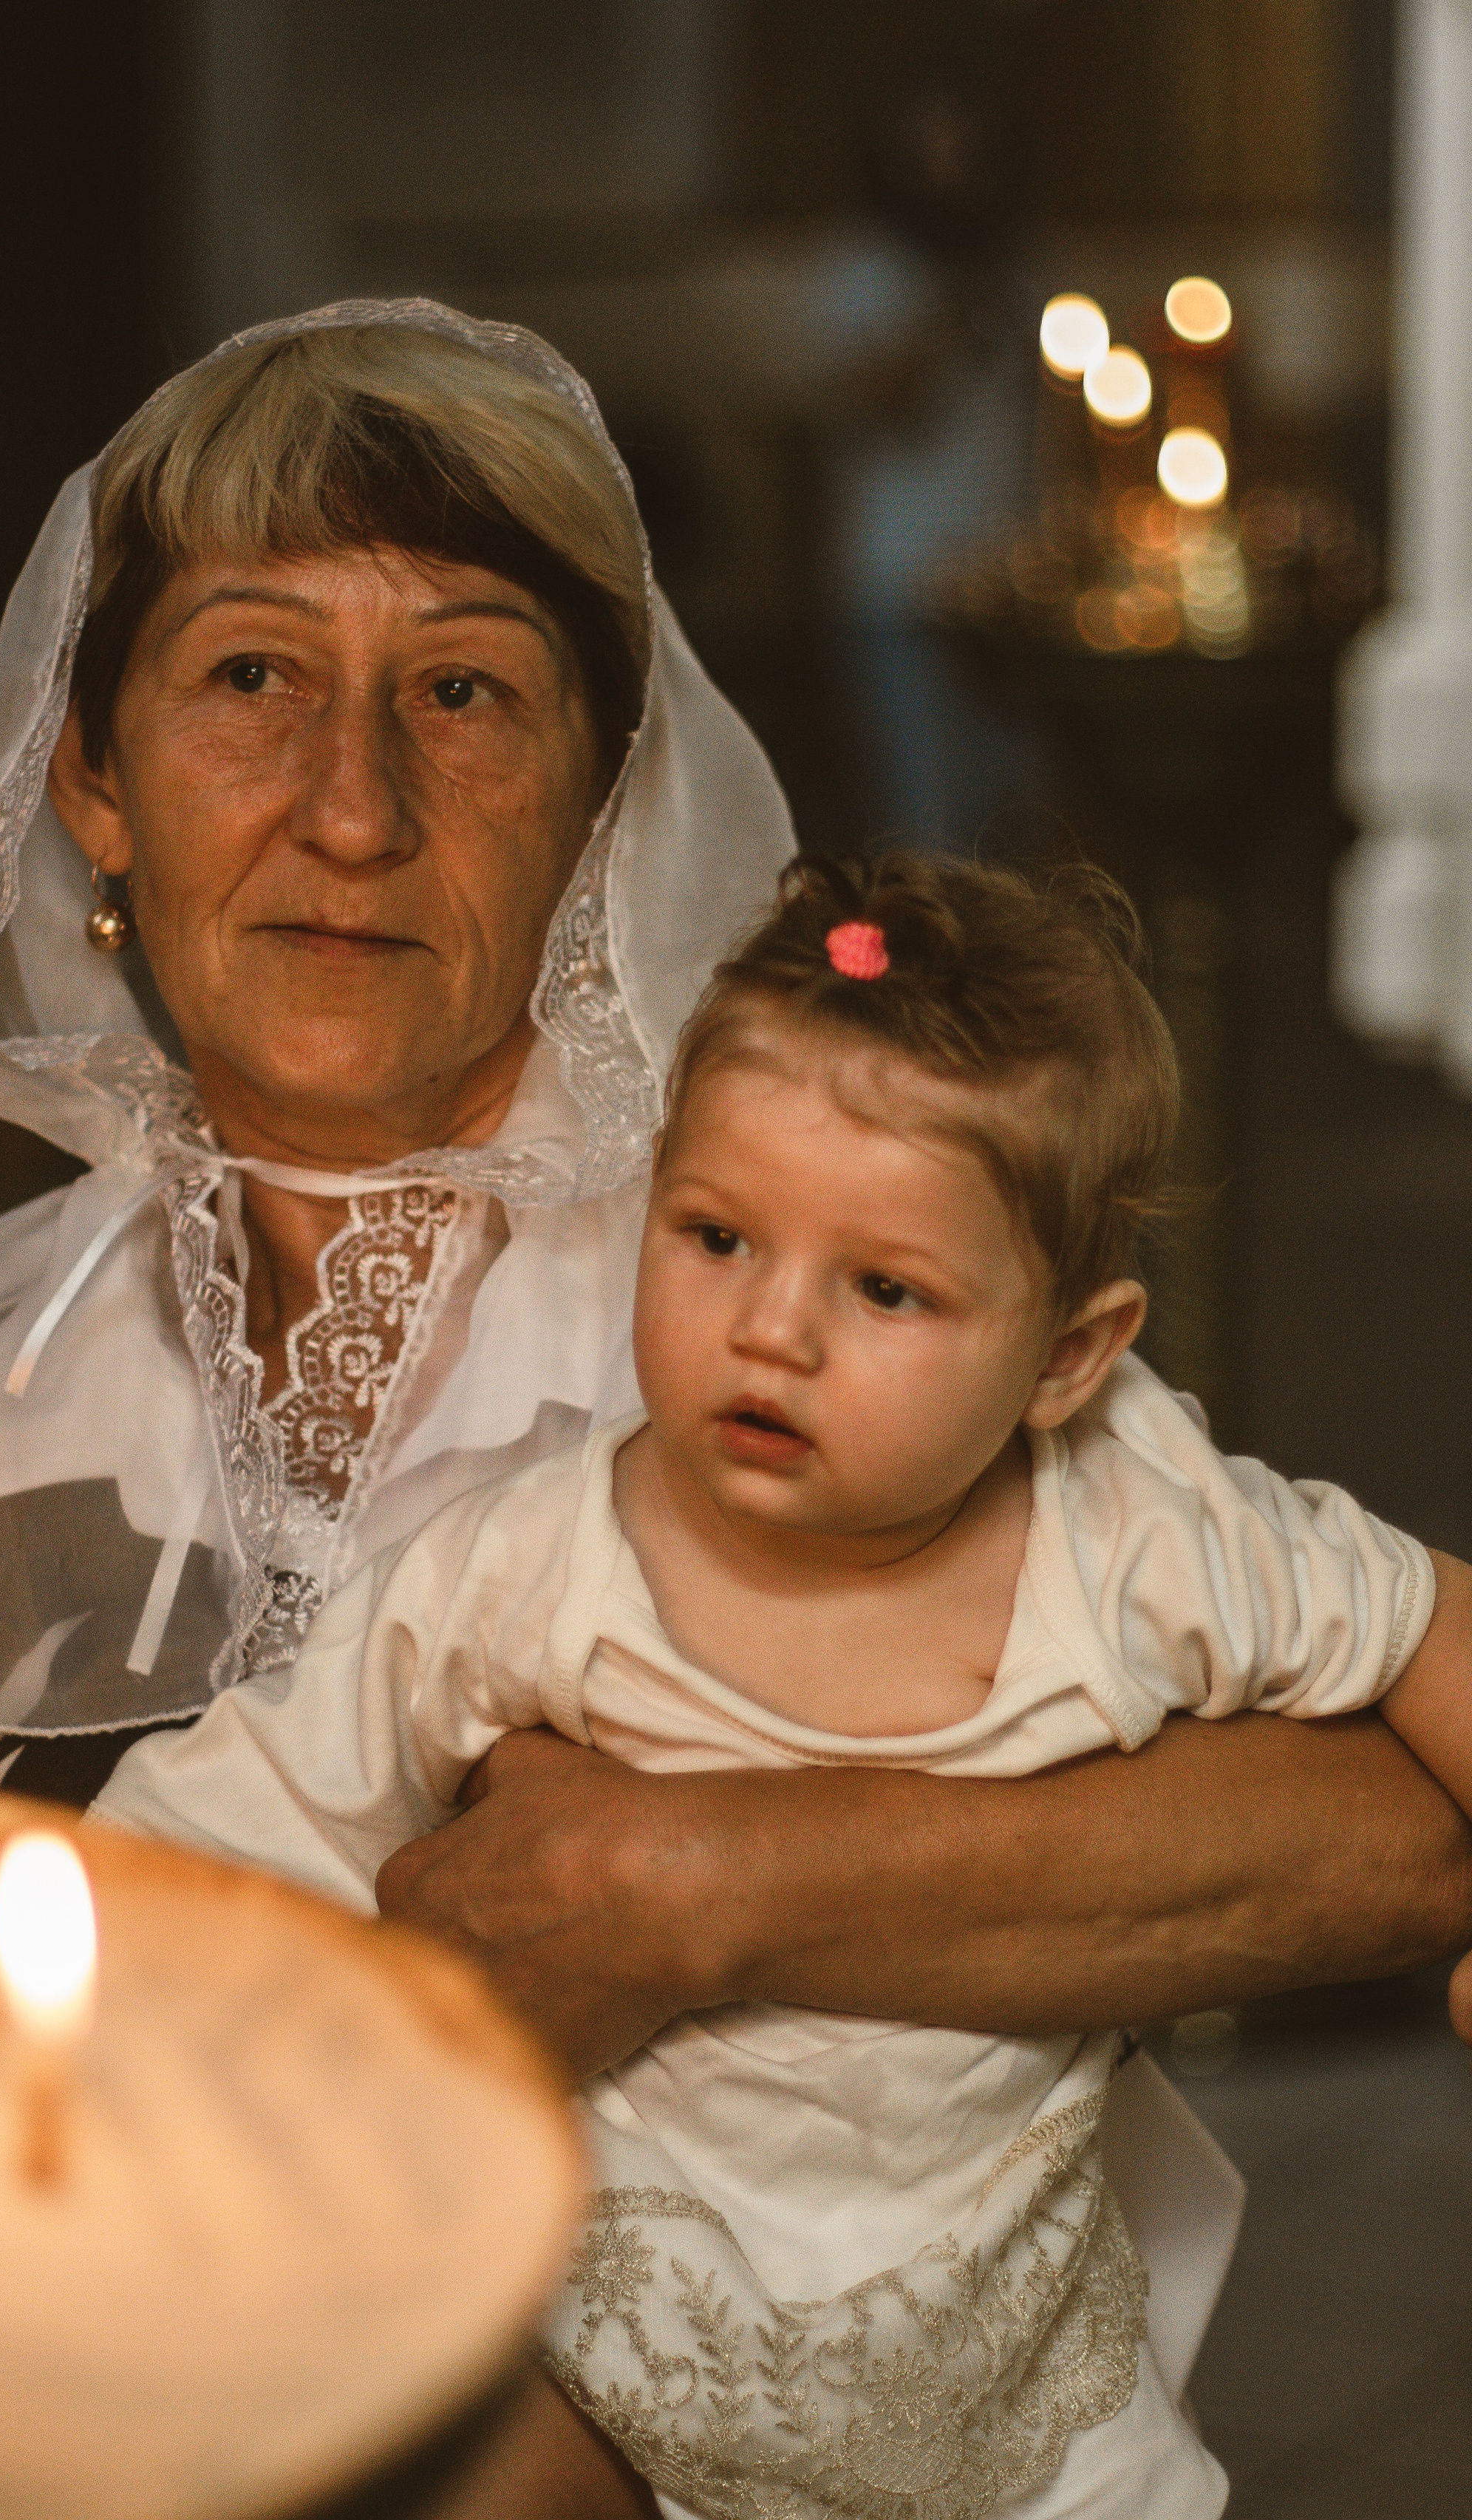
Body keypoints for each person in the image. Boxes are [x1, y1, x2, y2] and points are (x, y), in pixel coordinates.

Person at [0, 302, 1472, 2516]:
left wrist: (712, 1880)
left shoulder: (799, 1293)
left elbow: (1385, 1818)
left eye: (465, 691)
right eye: (250, 675)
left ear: (606, 804)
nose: (352, 803)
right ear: (94, 783)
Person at [98, 850, 1472, 2518]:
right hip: (603, 2393)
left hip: (1032, 2454)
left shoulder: (1131, 1532)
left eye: (882, 1287)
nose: (772, 1330)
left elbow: (1416, 1623)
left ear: (1063, 1357)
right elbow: (205, 1835)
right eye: (715, 1236)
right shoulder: (528, 1571)